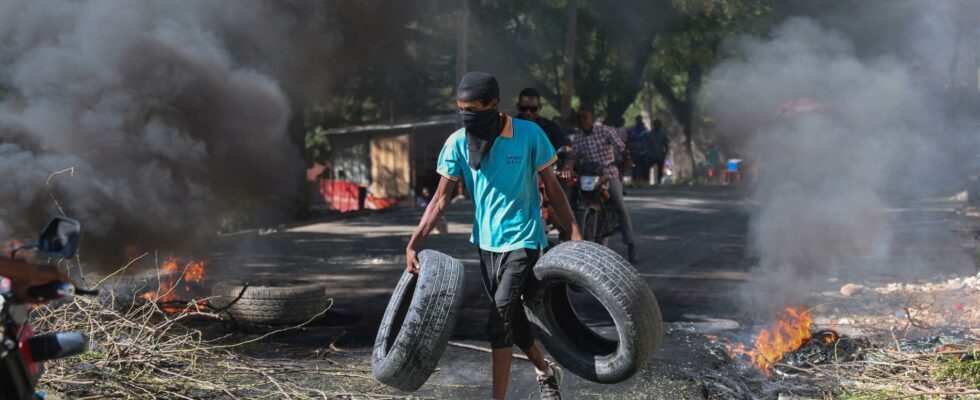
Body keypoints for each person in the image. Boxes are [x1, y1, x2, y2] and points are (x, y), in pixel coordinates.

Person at [406, 72, 581, 400]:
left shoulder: (529, 134)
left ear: (494, 105)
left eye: (473, 108)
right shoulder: (458, 142)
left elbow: (554, 190)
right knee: (511, 319)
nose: (467, 115)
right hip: (485, 243)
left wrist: (574, 233)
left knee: (497, 321)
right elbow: (441, 199)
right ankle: (545, 370)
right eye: (461, 109)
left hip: (524, 239)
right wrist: (414, 242)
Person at [572, 106, 637, 262]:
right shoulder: (578, 139)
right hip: (588, 177)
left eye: (585, 117)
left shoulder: (605, 131)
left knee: (620, 204)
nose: (582, 121)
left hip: (608, 174)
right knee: (573, 201)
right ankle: (575, 244)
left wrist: (626, 157)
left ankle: (631, 245)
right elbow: (573, 157)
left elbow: (621, 147)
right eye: (579, 118)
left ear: (592, 118)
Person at [628, 116, 651, 185]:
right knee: (634, 167)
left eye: (638, 120)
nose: (637, 121)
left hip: (644, 151)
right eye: (636, 120)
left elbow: (648, 141)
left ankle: (645, 181)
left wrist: (648, 150)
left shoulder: (644, 130)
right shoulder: (633, 130)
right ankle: (634, 181)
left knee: (644, 167)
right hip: (635, 151)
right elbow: (630, 140)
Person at [648, 119, 670, 185]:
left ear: (660, 126)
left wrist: (665, 153)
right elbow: (647, 144)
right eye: (655, 125)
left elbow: (666, 145)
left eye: (658, 125)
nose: (656, 126)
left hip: (660, 154)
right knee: (647, 167)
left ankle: (659, 181)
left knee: (660, 169)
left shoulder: (663, 134)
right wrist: (648, 152)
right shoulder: (650, 134)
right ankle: (646, 180)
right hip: (651, 154)